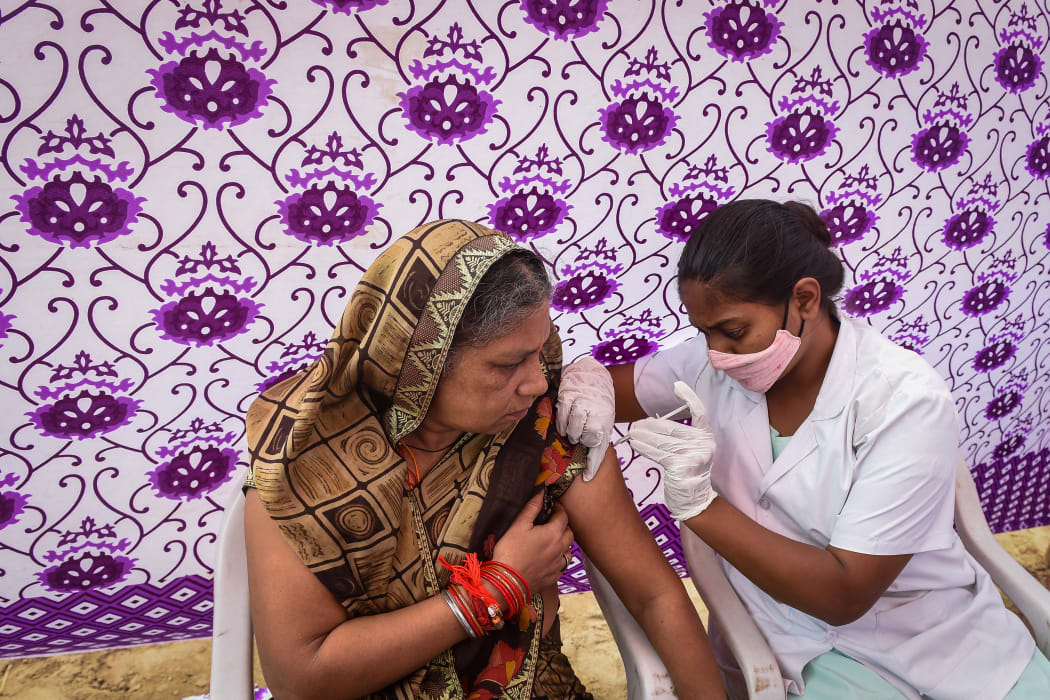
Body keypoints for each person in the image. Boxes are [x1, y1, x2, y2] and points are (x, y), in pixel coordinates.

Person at [557, 200, 1050, 699]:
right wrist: (585, 382)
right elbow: (612, 389)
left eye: (732, 331)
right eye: (703, 333)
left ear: (805, 300)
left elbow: (844, 593)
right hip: (792, 640)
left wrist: (701, 506)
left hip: (934, 632)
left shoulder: (903, 399)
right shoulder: (710, 366)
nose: (717, 355)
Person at [242, 220, 726, 699]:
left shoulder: (544, 433)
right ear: (421, 362)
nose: (537, 381)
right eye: (507, 363)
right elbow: (303, 675)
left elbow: (654, 594)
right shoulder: (302, 459)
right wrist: (496, 589)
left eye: (540, 351)